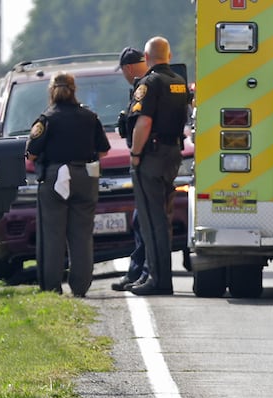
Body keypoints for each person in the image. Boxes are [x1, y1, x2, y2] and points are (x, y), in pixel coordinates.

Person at [25, 72, 111, 297]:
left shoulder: (46, 119)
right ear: (75, 90)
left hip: (55, 178)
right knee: (82, 235)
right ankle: (80, 287)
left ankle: (52, 287)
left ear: (51, 91)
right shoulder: (90, 117)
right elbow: (103, 150)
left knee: (53, 235)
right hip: (84, 176)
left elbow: (31, 154)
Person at [125, 36, 189, 296]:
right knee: (162, 219)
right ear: (169, 56)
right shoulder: (179, 82)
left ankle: (157, 279)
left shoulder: (149, 83)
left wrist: (135, 154)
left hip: (151, 155)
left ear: (147, 57)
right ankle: (160, 277)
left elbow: (144, 122)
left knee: (151, 221)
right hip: (173, 154)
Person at [112, 47, 151, 292]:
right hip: (160, 160)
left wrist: (135, 155)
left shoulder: (144, 87)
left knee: (142, 221)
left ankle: (141, 272)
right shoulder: (153, 82)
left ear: (127, 68)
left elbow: (143, 123)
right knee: (145, 221)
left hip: (148, 161)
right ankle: (142, 272)